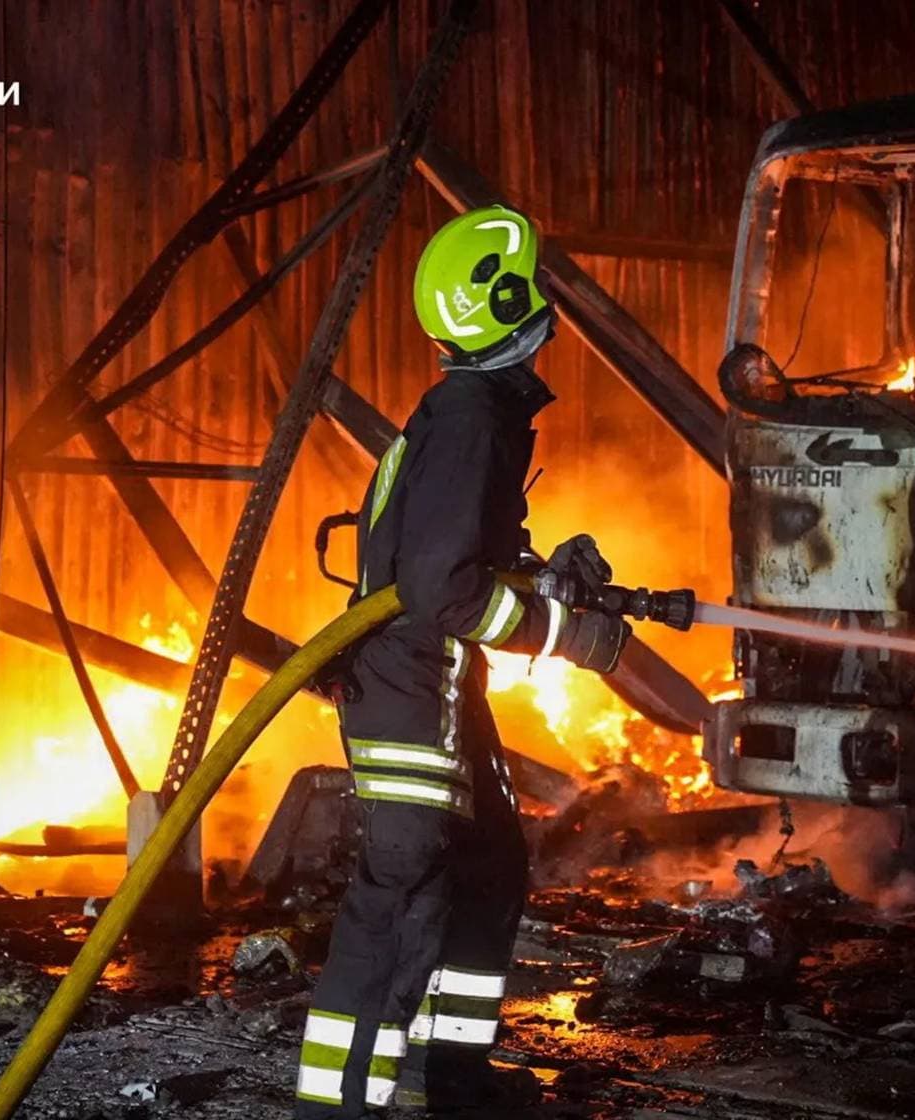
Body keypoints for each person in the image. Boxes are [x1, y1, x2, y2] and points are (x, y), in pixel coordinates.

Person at [294, 204, 633, 1117]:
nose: (551, 299)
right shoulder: (474, 418)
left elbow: (465, 559)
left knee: (488, 869)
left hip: (436, 686)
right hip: (409, 692)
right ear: (511, 304)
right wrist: (571, 639)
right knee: (403, 891)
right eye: (539, 284)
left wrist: (549, 575)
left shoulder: (476, 413)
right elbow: (443, 589)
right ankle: (338, 1107)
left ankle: (454, 1079)